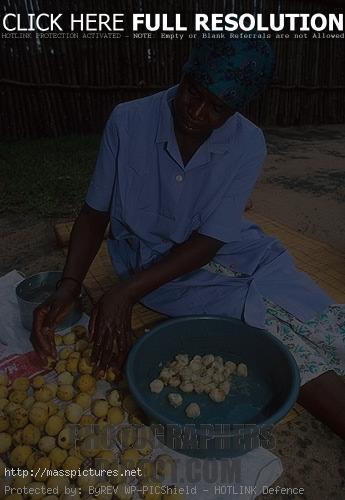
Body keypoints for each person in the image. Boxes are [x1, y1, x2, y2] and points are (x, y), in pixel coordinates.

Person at [32, 37, 345, 439]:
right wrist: (70, 285)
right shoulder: (128, 122)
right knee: (285, 351)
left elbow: (210, 241)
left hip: (243, 255)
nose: (196, 112)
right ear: (184, 74)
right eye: (193, 93)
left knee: (321, 318)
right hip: (165, 276)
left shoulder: (248, 142)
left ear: (235, 110)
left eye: (217, 108)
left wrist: (123, 294)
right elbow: (95, 213)